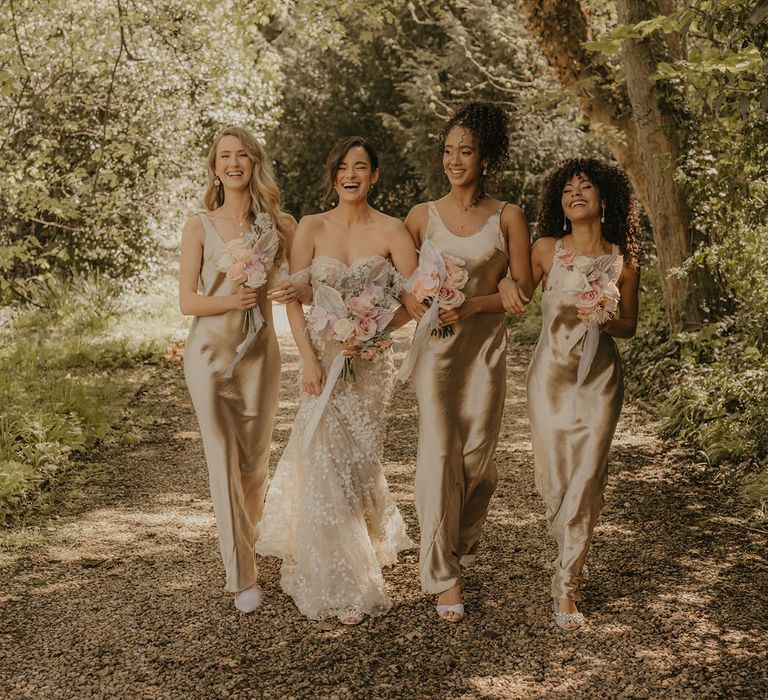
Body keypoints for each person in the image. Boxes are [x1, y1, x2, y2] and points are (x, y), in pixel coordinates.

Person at [256, 136, 417, 625]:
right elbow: (294, 295)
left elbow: (415, 301)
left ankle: (360, 544)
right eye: (344, 166)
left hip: (370, 368)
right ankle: (339, 574)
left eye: (362, 166)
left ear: (374, 176)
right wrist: (308, 361)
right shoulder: (310, 226)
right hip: (324, 364)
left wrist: (372, 332)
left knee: (358, 464)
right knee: (322, 455)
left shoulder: (394, 230)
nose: (352, 174)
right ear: (334, 177)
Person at [402, 103, 533, 622]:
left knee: (477, 461)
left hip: (484, 352)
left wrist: (479, 300)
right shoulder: (421, 217)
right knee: (439, 456)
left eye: (467, 151)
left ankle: (456, 538)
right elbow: (397, 278)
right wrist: (408, 305)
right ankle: (443, 576)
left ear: (486, 157)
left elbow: (522, 290)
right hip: (435, 352)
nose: (455, 160)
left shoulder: (508, 217)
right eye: (449, 151)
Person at [500, 157, 641, 630]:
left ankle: (567, 586)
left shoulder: (624, 259)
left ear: (604, 199)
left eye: (585, 187)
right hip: (549, 378)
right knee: (557, 479)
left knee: (587, 479)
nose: (575, 194)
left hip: (600, 383)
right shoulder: (546, 249)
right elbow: (517, 292)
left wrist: (604, 315)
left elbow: (630, 327)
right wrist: (505, 284)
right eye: (567, 189)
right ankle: (566, 547)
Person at [179, 126, 307, 613]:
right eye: (224, 157)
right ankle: (242, 575)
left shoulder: (279, 224)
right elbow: (187, 300)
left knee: (255, 465)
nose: (233, 163)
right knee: (222, 460)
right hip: (209, 357)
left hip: (259, 356)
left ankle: (247, 546)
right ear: (214, 168)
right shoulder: (199, 225)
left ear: (254, 163)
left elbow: (299, 286)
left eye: (242, 156)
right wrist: (232, 297)